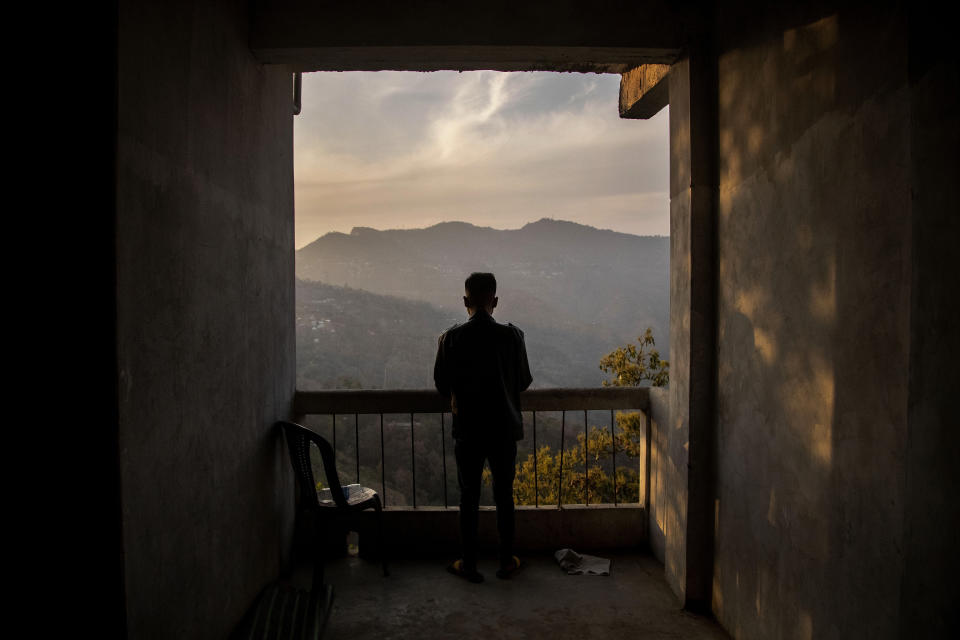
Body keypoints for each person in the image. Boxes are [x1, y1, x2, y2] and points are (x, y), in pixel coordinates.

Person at [434, 272, 533, 583]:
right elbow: (523, 382)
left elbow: (441, 385)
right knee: (505, 495)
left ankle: (469, 563)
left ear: (465, 301)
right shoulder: (512, 338)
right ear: (496, 301)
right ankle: (506, 562)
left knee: (469, 497)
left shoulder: (451, 339)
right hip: (503, 429)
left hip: (468, 430)